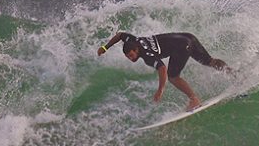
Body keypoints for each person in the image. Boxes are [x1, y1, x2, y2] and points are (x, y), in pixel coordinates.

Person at [97, 32, 230, 111]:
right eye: (128, 57)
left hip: (182, 47)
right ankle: (232, 73)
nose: (131, 59)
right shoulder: (132, 40)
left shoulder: (147, 56)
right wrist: (105, 47)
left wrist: (160, 89)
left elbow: (162, 68)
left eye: (131, 56)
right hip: (188, 37)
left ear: (137, 50)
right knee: (209, 61)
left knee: (172, 77)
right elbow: (120, 35)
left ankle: (194, 99)